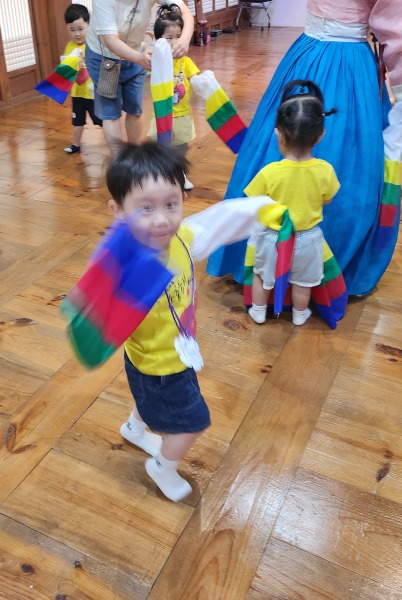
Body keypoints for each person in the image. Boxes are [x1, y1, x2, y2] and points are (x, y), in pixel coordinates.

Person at [207, 0, 402, 297]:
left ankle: (263, 260)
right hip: (350, 65)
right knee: (349, 163)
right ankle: (318, 269)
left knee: (282, 137)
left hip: (307, 53)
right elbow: (392, 29)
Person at [107, 142, 271, 501]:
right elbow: (105, 320)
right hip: (160, 365)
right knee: (193, 422)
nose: (162, 219)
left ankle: (134, 427)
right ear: (118, 211)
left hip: (172, 351)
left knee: (148, 399)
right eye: (145, 208)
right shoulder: (129, 267)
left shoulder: (178, 236)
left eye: (171, 204)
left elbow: (216, 225)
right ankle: (162, 467)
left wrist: (260, 211)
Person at [246, 80, 340, 327]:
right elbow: (328, 199)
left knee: (262, 275)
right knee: (303, 281)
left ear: (278, 134)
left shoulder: (269, 172)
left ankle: (258, 310)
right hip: (309, 238)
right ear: (320, 135)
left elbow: (253, 203)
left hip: (271, 237)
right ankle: (299, 314)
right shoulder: (325, 170)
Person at [85, 0, 193, 156]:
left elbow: (185, 11)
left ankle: (134, 157)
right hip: (104, 57)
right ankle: (120, 161)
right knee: (111, 113)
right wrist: (139, 58)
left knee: (135, 110)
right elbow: (110, 40)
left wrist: (185, 39)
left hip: (136, 53)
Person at [147, 5, 199, 190]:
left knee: (181, 148)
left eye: (179, 36)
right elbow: (145, 65)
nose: (175, 42)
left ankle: (180, 173)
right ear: (158, 40)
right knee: (161, 147)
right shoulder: (156, 61)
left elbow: (195, 78)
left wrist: (203, 82)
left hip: (182, 114)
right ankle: (160, 174)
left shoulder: (186, 62)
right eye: (169, 38)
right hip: (162, 114)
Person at [63, 4, 103, 155]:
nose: (77, 34)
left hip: (92, 93)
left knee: (101, 120)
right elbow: (67, 68)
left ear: (88, 25)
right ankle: (75, 144)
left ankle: (114, 142)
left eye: (80, 29)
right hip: (77, 93)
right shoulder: (69, 46)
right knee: (77, 120)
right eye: (72, 30)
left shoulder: (93, 45)